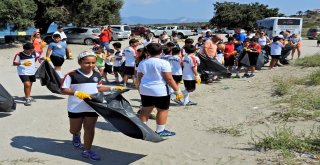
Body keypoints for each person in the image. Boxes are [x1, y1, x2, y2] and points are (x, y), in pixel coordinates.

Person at [61, 51, 124, 161]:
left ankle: (87, 150)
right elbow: (63, 89)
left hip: (93, 106)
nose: (90, 65)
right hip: (76, 107)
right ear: (80, 62)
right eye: (87, 63)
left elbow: (98, 88)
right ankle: (76, 135)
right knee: (74, 129)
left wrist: (112, 88)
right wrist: (76, 93)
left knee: (89, 129)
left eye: (93, 63)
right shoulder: (71, 75)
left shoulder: (96, 74)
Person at [136, 43, 183, 137]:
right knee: (162, 110)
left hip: (145, 89)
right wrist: (177, 90)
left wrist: (140, 88)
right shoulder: (164, 63)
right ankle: (160, 130)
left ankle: (142, 130)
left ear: (148, 52)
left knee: (145, 109)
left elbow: (139, 77)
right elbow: (169, 78)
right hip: (160, 90)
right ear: (161, 52)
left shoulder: (142, 62)